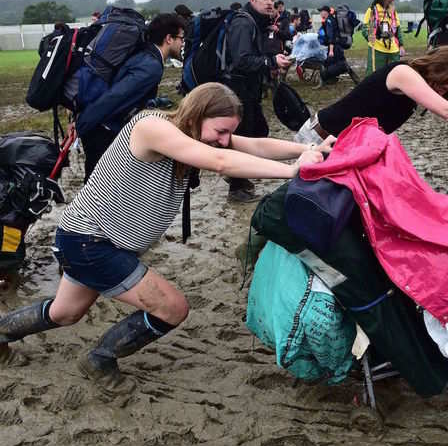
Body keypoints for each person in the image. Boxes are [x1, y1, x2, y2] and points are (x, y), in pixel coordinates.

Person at [0, 83, 331, 394]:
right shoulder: (152, 127)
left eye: (229, 132)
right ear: (196, 115)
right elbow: (221, 162)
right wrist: (293, 171)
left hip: (95, 241)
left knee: (65, 314)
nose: (225, 139)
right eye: (221, 131)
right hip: (90, 241)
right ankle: (99, 360)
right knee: (172, 308)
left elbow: (256, 144)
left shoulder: (200, 137)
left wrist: (310, 149)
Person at [295, 45, 448, 145]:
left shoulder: (427, 84)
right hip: (320, 139)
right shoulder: (403, 73)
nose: (447, 92)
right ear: (440, 70)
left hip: (348, 144)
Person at [77, 13, 188, 182]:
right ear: (169, 39)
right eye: (181, 38)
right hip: (102, 132)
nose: (183, 43)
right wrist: (84, 123)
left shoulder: (147, 56)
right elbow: (116, 96)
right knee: (99, 187)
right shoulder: (151, 66)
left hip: (100, 127)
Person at [222, 0, 293, 202]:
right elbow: (241, 60)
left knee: (258, 130)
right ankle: (237, 187)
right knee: (245, 136)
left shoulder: (256, 21)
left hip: (249, 89)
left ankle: (237, 175)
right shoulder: (244, 23)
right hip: (237, 90)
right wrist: (271, 61)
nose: (270, 3)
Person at [361, 0, 406, 75]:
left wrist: (401, 45)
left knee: (394, 73)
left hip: (393, 48)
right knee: (375, 74)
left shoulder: (393, 11)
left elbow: (398, 29)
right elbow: (365, 28)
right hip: (377, 48)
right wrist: (369, 37)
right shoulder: (372, 10)